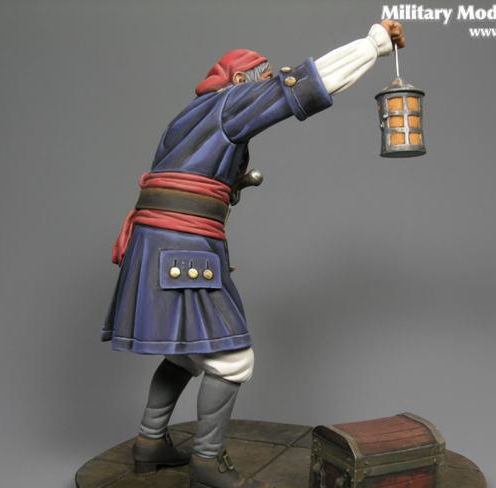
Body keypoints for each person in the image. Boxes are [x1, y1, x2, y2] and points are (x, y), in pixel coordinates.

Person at [103, 19, 406, 488]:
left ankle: (150, 442)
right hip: (182, 244)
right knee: (233, 360)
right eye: (261, 76)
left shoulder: (190, 116)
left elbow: (189, 178)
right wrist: (374, 45)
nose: (267, 82)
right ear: (241, 80)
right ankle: (207, 463)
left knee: (186, 356)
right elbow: (306, 84)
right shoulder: (232, 103)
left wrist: (232, 183)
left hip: (158, 240)